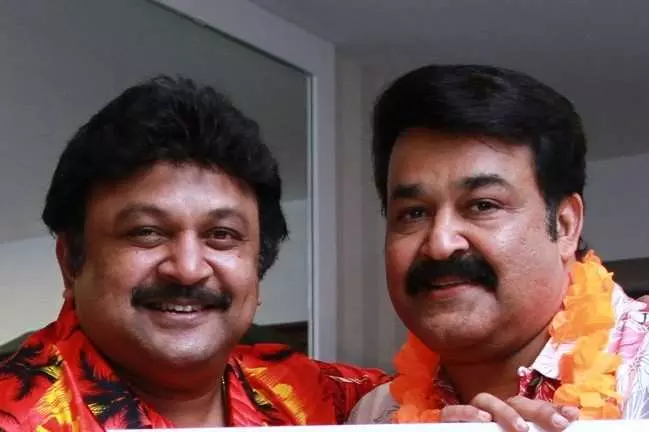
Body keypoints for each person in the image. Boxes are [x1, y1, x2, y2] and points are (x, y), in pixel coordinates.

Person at [0, 75, 388, 430]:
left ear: (257, 267)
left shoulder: (328, 401)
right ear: (71, 262)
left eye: (221, 235)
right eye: (146, 232)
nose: (187, 269)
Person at [348, 64, 649, 431]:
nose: (440, 244)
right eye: (413, 213)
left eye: (482, 205)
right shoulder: (375, 416)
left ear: (565, 225)